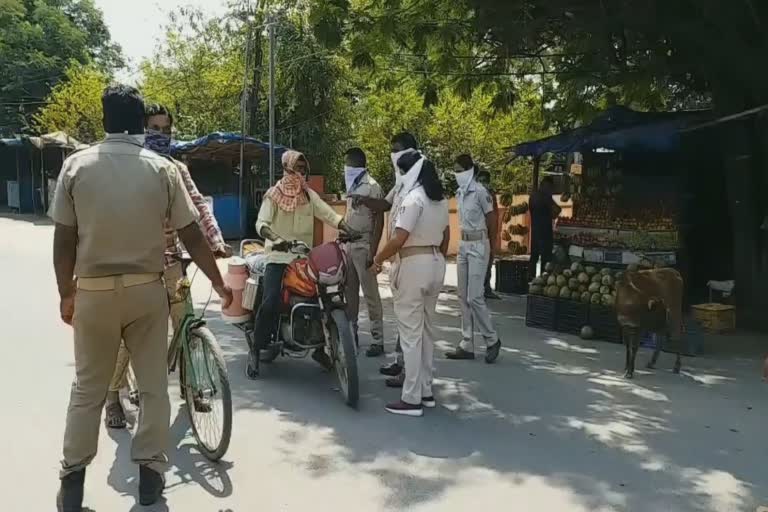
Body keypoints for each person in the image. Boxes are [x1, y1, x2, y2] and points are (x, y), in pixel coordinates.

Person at [51, 85, 233, 511]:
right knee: (153, 387)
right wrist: (220, 282)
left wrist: (66, 293)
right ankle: (150, 479)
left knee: (87, 389)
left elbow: (64, 237)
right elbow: (191, 231)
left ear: (105, 120)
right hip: (148, 290)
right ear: (139, 123)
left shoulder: (76, 166)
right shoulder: (162, 169)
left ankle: (72, 484)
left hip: (93, 293)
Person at [104, 103, 232, 430]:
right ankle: (112, 395)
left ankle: (194, 389)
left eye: (166, 129)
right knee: (131, 337)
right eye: (154, 129)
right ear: (142, 130)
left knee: (187, 324)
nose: (161, 135)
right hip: (136, 264)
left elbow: (198, 206)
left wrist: (215, 240)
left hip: (173, 262)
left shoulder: (177, 168)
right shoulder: (130, 167)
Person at [249, 150, 357, 377]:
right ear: (286, 169)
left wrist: (348, 228)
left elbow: (328, 214)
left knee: (323, 297)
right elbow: (261, 223)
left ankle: (320, 349)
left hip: (303, 258)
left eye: (303, 168)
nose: (300, 173)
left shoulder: (308, 195)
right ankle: (256, 350)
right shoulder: (274, 195)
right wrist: (276, 239)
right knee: (270, 303)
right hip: (278, 258)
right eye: (296, 168)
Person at [370, 158, 449, 416]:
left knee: (411, 335)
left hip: (414, 264)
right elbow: (446, 236)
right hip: (436, 263)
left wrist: (378, 259)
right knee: (427, 332)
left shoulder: (414, 198)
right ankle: (425, 391)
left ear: (408, 173)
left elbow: (399, 238)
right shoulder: (440, 201)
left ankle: (411, 398)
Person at [351, 132, 421, 381]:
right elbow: (383, 205)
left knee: (412, 319)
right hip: (398, 257)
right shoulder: (400, 182)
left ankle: (411, 377)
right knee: (404, 315)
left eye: (397, 149)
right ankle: (401, 363)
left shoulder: (420, 184)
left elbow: (388, 224)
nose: (393, 154)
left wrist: (376, 256)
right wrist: (364, 200)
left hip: (414, 256)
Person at [445, 155, 502, 363]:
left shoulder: (480, 192)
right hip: (464, 244)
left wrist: (491, 246)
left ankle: (491, 339)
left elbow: (492, 220)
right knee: (462, 295)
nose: (457, 173)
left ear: (470, 170)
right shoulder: (460, 193)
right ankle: (466, 343)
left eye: (460, 169)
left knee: (475, 297)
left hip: (479, 243)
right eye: (455, 170)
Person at [343, 147, 386, 357]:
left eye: (348, 164)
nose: (346, 168)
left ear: (357, 165)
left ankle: (378, 339)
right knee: (349, 294)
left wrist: (374, 252)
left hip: (364, 245)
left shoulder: (372, 187)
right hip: (348, 246)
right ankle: (352, 333)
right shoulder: (351, 185)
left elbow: (379, 220)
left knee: (370, 294)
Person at [529, 176, 561, 277]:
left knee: (534, 256)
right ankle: (542, 278)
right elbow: (556, 212)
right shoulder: (545, 197)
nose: (550, 190)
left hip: (535, 230)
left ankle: (531, 277)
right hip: (544, 232)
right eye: (549, 187)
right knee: (545, 258)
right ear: (543, 186)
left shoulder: (533, 196)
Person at [476, 170, 500, 299]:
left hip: (489, 232)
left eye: (485, 180)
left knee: (488, 260)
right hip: (479, 234)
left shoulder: (490, 194)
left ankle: (485, 288)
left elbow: (494, 215)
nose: (483, 183)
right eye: (481, 180)